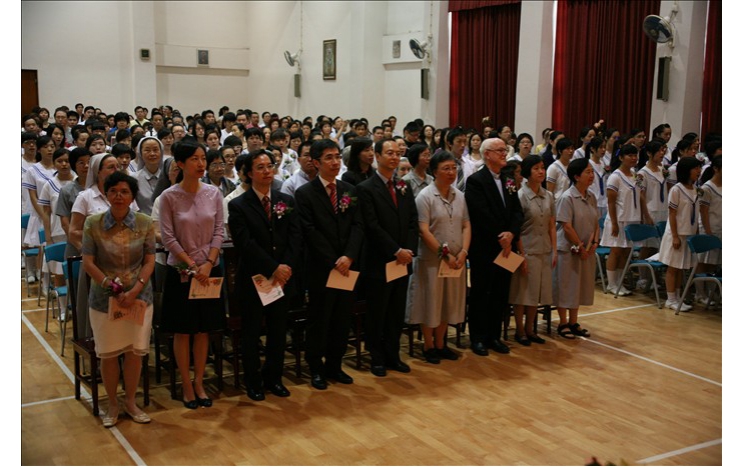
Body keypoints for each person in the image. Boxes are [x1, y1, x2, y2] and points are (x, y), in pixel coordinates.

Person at [81, 171, 155, 427]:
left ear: (132, 196)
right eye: (113, 191)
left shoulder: (145, 222)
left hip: (139, 298)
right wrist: (110, 286)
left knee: (134, 352)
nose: (118, 196)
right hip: (104, 301)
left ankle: (131, 402)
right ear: (106, 194)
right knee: (109, 354)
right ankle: (113, 404)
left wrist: (135, 290)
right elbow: (88, 262)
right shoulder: (93, 223)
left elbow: (149, 260)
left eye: (124, 192)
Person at [228, 150, 302, 400]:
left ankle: (274, 378)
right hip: (255, 278)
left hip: (282, 278)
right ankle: (253, 381)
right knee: (251, 333)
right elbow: (245, 244)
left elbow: (295, 237)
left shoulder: (286, 200)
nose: (267, 171)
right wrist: (273, 267)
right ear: (249, 173)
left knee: (278, 331)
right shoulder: (238, 205)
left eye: (270, 166)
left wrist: (286, 267)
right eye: (260, 167)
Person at [159, 141, 226, 408]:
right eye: (194, 159)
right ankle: (186, 384)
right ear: (180, 164)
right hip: (181, 271)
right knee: (183, 331)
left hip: (209, 270)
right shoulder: (169, 197)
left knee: (203, 330)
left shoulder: (213, 193)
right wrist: (191, 265)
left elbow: (219, 231)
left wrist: (208, 263)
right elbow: (168, 237)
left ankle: (199, 382)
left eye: (203, 159)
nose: (201, 164)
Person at [295, 139, 364, 389]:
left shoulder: (349, 190)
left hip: (347, 267)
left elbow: (357, 226)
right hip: (321, 268)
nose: (335, 162)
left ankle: (335, 365)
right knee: (320, 319)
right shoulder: (305, 193)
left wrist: (349, 256)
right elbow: (309, 231)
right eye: (328, 158)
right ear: (315, 162)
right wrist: (334, 259)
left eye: (337, 157)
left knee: (342, 318)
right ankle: (316, 367)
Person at [357, 138, 419, 376]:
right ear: (377, 156)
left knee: (396, 311)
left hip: (402, 261)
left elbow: (412, 221)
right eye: (389, 153)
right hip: (380, 261)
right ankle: (376, 357)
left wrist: (408, 250)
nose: (394, 157)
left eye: (396, 153)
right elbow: (371, 226)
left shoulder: (403, 186)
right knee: (378, 312)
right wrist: (395, 250)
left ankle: (393, 355)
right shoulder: (366, 188)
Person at [406, 151, 470, 363]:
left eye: (453, 168)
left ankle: (441, 344)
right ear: (434, 172)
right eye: (446, 169)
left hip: (456, 260)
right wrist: (444, 255)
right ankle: (429, 345)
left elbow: (466, 225)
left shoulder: (459, 195)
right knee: (431, 301)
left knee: (447, 302)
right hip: (432, 261)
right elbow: (423, 230)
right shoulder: (425, 196)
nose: (451, 172)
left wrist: (463, 252)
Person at [464, 137, 524, 356]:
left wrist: (512, 233)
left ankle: (494, 336)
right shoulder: (476, 181)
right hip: (485, 247)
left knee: (501, 292)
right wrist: (502, 235)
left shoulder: (508, 179)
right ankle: (478, 338)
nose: (504, 153)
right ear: (487, 154)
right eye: (499, 150)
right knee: (481, 293)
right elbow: (481, 214)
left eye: (505, 150)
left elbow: (517, 211)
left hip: (507, 247)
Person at [508, 155, 555, 345]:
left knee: (536, 293)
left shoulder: (548, 195)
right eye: (536, 168)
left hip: (543, 249)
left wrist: (554, 250)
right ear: (528, 172)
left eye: (542, 167)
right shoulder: (520, 195)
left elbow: (551, 225)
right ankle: (520, 330)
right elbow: (517, 229)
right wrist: (521, 255)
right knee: (522, 293)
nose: (541, 171)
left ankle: (530, 329)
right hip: (526, 250)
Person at [553, 158, 600, 338]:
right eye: (588, 172)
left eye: (592, 171)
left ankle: (574, 322)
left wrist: (594, 243)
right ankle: (563, 323)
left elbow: (596, 222)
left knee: (579, 286)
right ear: (576, 176)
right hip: (568, 249)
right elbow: (566, 226)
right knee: (566, 286)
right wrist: (580, 246)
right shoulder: (567, 198)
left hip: (586, 250)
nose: (592, 175)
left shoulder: (591, 197)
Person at [600, 144, 651, 296]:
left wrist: (644, 216)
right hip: (619, 219)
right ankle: (611, 284)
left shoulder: (636, 175)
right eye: (630, 155)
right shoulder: (615, 177)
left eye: (635, 155)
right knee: (616, 251)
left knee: (626, 252)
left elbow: (640, 196)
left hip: (632, 219)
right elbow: (611, 202)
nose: (634, 158)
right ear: (621, 157)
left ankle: (620, 282)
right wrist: (614, 223)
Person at [658, 157, 703, 311]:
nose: (699, 171)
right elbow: (672, 214)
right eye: (695, 168)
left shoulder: (695, 189)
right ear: (686, 170)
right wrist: (675, 236)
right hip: (676, 234)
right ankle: (670, 299)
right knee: (673, 268)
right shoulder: (676, 189)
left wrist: (696, 232)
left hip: (688, 234)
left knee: (680, 267)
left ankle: (677, 298)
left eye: (699, 168)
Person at [696, 155, 722, 303]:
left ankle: (711, 292)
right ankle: (700, 293)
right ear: (716, 169)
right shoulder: (707, 188)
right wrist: (708, 231)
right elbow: (703, 212)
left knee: (713, 263)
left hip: (721, 228)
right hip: (709, 228)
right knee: (703, 262)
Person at [133, 136, 165, 215]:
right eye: (147, 150)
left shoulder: (168, 178)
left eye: (155, 150)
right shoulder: (134, 179)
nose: (152, 154)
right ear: (140, 153)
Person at [546, 137, 574, 202]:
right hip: (558, 203)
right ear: (560, 151)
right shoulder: (553, 168)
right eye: (568, 149)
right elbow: (550, 191)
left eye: (572, 148)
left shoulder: (573, 166)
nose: (571, 151)